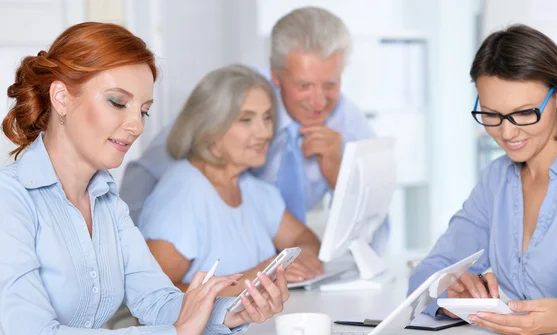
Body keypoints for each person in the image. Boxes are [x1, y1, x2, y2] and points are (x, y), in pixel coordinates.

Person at [0, 22, 289, 335]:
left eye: (144, 110)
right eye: (117, 102)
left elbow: (156, 301)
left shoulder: (106, 201)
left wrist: (229, 313)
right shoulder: (10, 201)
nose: (135, 125)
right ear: (61, 98)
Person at [120, 6, 389, 252]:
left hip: (269, 263)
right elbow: (149, 170)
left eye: (330, 84)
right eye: (304, 86)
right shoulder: (239, 96)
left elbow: (376, 231)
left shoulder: (349, 124)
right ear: (276, 75)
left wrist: (338, 174)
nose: (319, 102)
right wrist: (131, 255)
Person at [408, 24, 557, 335]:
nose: (507, 133)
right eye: (491, 114)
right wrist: (449, 295)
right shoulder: (496, 179)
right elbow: (427, 275)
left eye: (524, 113)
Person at [138, 65, 323, 290]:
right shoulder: (182, 194)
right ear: (210, 127)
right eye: (246, 120)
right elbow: (151, 302)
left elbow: (304, 239)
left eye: (267, 117)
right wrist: (255, 277)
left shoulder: (253, 189)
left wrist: (302, 260)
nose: (265, 132)